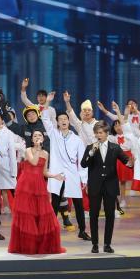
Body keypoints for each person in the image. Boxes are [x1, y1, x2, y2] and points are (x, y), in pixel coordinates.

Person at [10, 130, 66, 254]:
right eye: (35, 136)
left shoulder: (46, 153)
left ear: (43, 138)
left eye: (39, 135)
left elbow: (44, 172)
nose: (37, 137)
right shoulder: (28, 150)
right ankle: (27, 245)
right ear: (32, 139)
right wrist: (38, 148)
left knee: (43, 214)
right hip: (26, 186)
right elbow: (34, 162)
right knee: (28, 215)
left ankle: (40, 245)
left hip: (39, 185)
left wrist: (55, 176)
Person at [41, 99, 89, 240]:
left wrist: (83, 178)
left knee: (78, 203)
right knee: (55, 203)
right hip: (57, 174)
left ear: (69, 121)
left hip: (72, 175)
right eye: (60, 119)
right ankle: (50, 230)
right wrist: (47, 102)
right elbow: (44, 118)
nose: (63, 121)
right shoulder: (53, 134)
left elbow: (82, 161)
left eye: (65, 119)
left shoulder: (77, 139)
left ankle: (82, 231)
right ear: (57, 122)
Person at [81, 122, 131, 254]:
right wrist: (91, 152)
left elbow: (126, 161)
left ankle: (107, 244)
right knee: (93, 215)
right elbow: (83, 164)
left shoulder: (115, 147)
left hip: (110, 186)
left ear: (107, 133)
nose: (98, 135)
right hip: (95, 186)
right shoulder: (90, 147)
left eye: (101, 133)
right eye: (96, 133)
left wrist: (132, 162)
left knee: (110, 215)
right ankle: (95, 244)